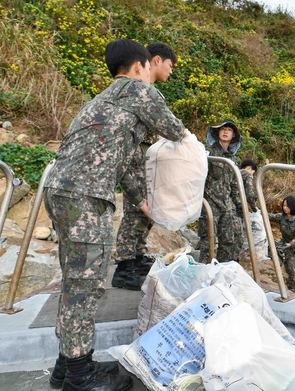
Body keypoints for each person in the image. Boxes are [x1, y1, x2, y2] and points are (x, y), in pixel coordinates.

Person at [44, 38, 188, 391]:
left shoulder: (103, 100)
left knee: (74, 285)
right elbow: (176, 132)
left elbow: (119, 161)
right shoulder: (139, 91)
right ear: (141, 65)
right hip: (84, 200)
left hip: (61, 192)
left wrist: (140, 200)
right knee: (84, 290)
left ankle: (67, 367)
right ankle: (80, 379)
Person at [112, 42, 178, 290]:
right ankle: (124, 268)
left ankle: (136, 257)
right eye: (170, 66)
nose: (171, 72)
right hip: (133, 159)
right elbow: (170, 128)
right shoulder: (142, 89)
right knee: (135, 211)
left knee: (143, 214)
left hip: (144, 159)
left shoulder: (143, 88)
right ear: (157, 60)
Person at [197, 119, 244, 263]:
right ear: (217, 132)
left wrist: (239, 206)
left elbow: (234, 185)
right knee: (208, 240)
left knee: (229, 241)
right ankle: (203, 273)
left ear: (233, 135)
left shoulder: (234, 159)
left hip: (227, 204)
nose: (225, 132)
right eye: (223, 129)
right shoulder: (208, 151)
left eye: (229, 130)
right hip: (210, 201)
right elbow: (199, 175)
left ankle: (222, 273)